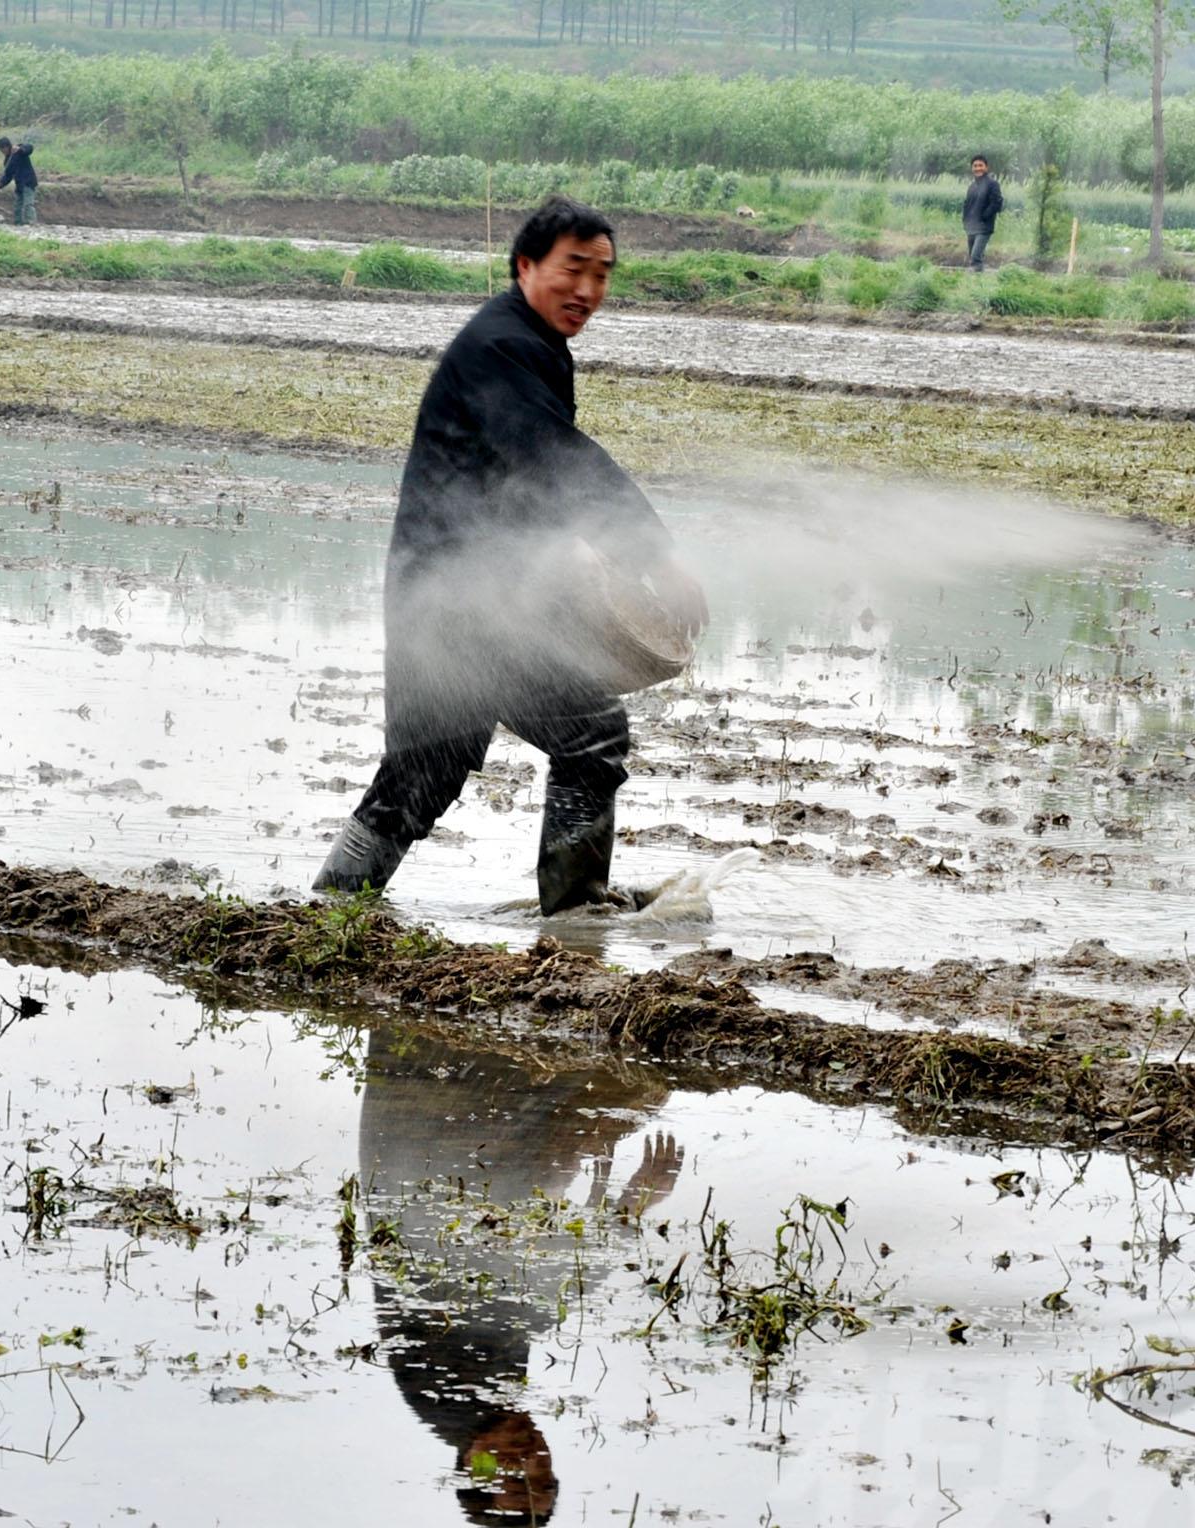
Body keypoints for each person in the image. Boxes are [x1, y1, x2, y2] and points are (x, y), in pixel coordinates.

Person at [311, 196, 708, 914]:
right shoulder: (503, 347)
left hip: (441, 593)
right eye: (573, 268)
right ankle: (576, 914)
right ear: (526, 266)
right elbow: (557, 462)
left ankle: (330, 909)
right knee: (592, 735)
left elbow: (517, 483)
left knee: (419, 778)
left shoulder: (523, 343)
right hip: (464, 603)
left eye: (603, 273)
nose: (588, 290)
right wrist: (656, 557)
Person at [359, 1021, 683, 1525]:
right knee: (615, 1103)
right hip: (451, 1166)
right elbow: (530, 1288)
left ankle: (563, 964)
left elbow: (524, 1293)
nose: (531, 1459)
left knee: (637, 1086)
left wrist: (625, 1204)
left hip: (435, 1138)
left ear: (471, 1466)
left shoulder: (449, 1398)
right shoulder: (480, 1409)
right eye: (543, 1478)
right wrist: (614, 1204)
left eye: (512, 1478)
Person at [962, 155, 1003, 273]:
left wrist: (984, 216)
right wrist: (965, 220)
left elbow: (997, 203)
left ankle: (975, 283)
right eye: (975, 166)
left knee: (975, 258)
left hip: (984, 227)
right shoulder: (972, 186)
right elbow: (967, 205)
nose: (978, 168)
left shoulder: (992, 184)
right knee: (974, 256)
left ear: (986, 167)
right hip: (971, 227)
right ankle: (980, 284)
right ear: (972, 168)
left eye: (980, 165)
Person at [0, 138, 36, 227]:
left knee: (28, 203)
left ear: (7, 146)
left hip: (28, 181)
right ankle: (18, 223)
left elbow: (30, 148)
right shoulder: (7, 161)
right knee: (18, 205)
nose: (2, 151)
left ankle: (31, 222)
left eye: (2, 149)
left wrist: (20, 149)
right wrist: (0, 184)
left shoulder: (19, 150)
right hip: (19, 184)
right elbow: (8, 175)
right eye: (0, 149)